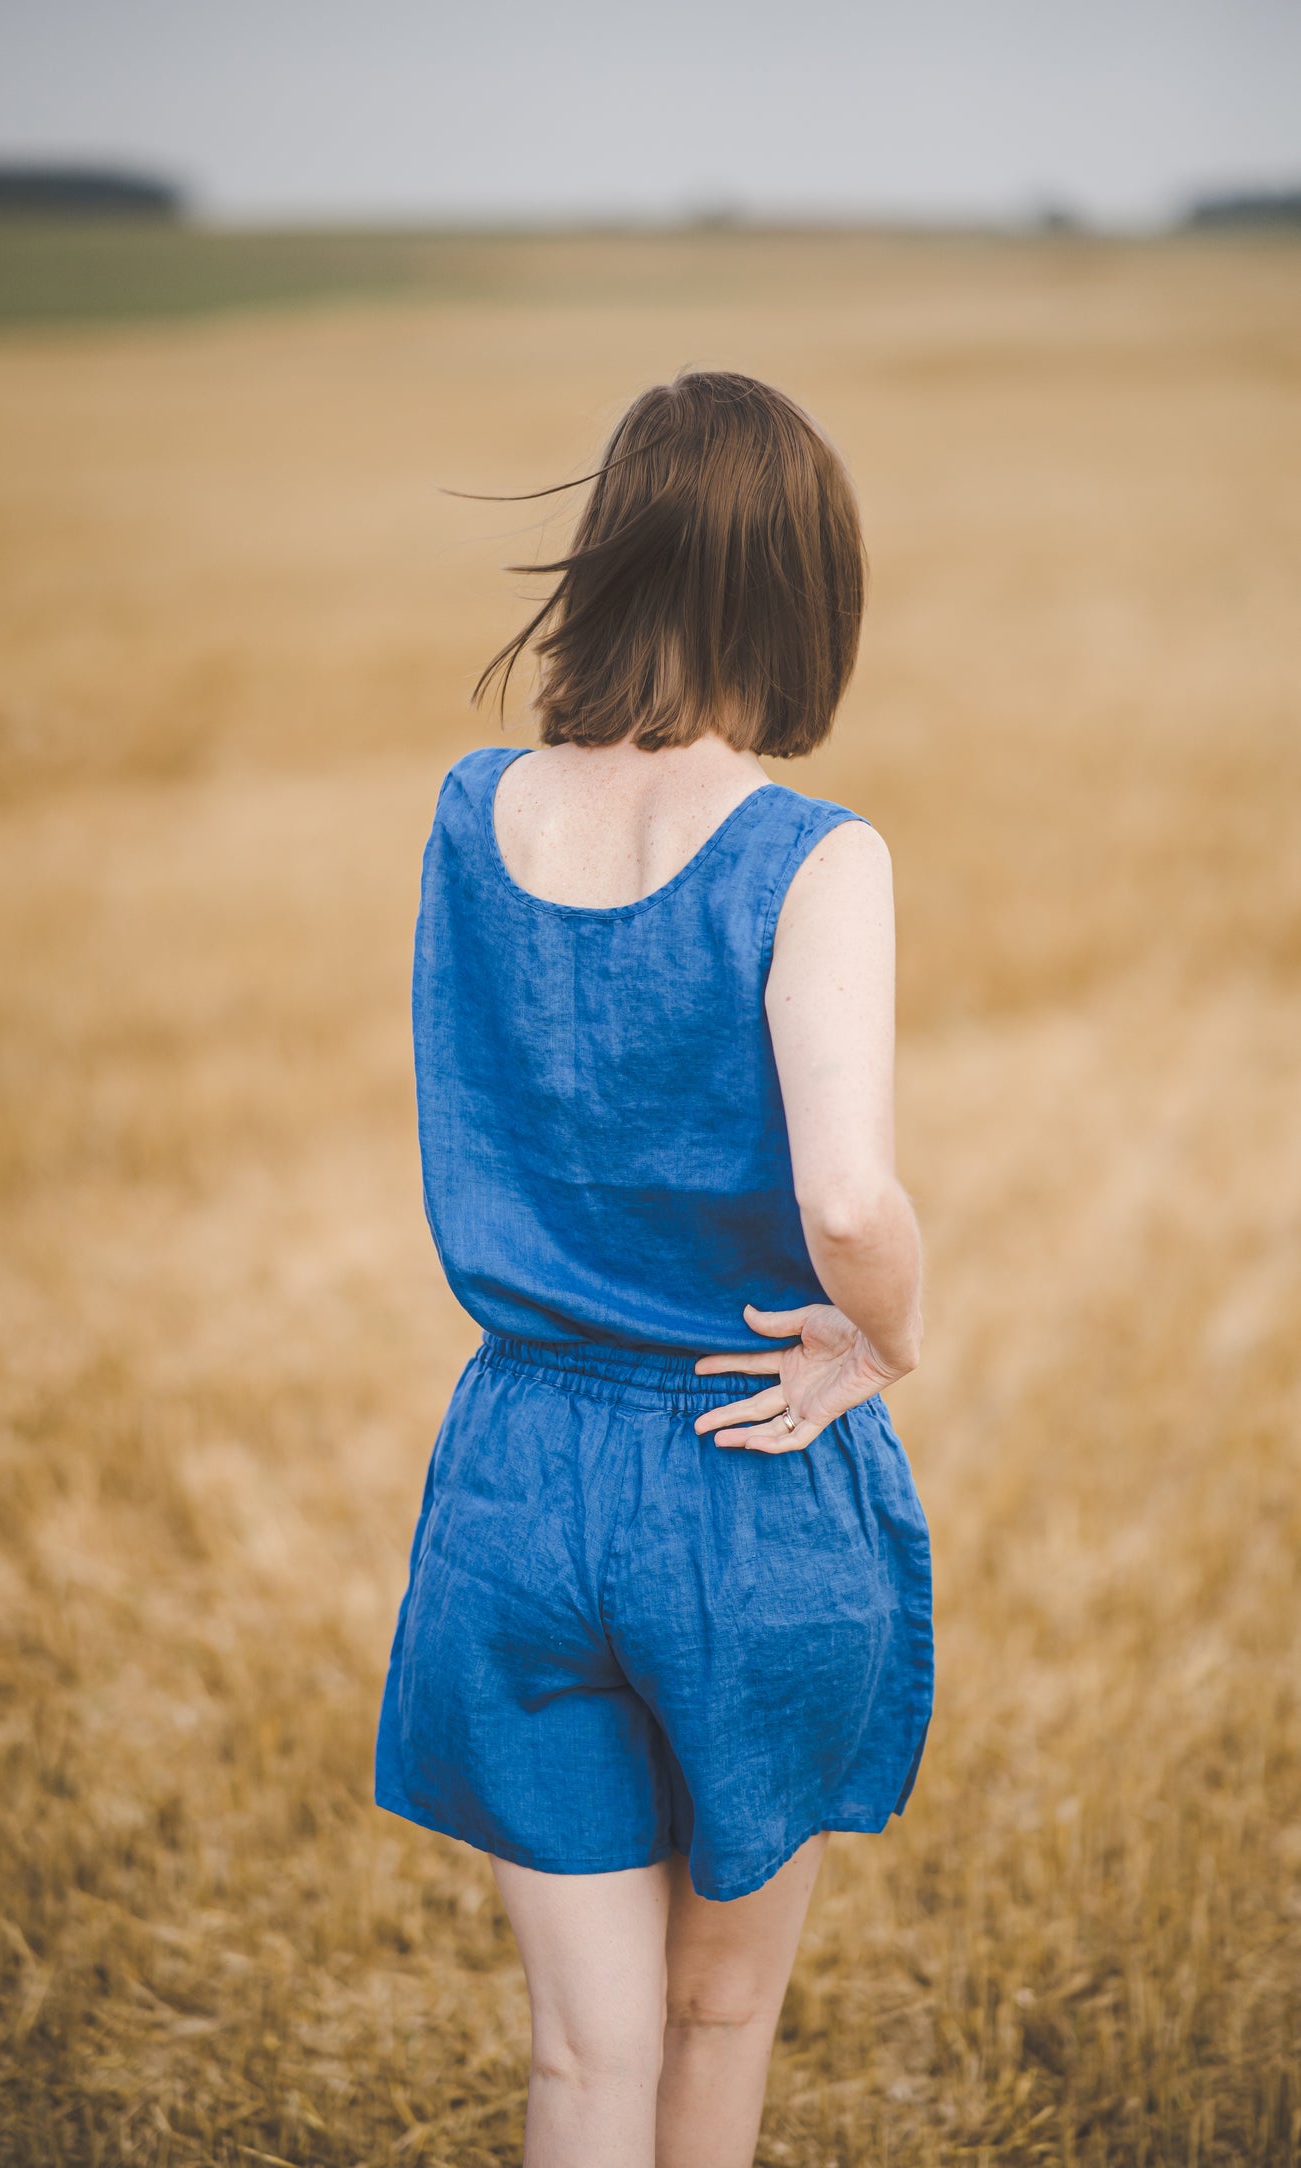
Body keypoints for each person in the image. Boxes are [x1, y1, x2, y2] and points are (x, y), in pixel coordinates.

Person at [375, 368, 932, 2168]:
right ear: (803, 590)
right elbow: (846, 1200)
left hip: (515, 1478)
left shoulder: (475, 813)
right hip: (742, 1473)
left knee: (579, 2062)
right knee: (719, 2013)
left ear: (611, 560)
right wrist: (886, 1344)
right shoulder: (810, 857)